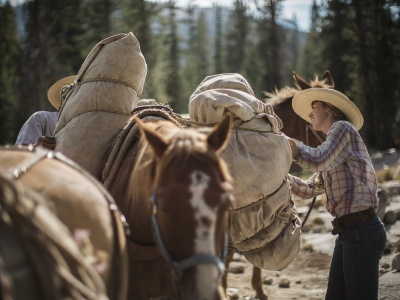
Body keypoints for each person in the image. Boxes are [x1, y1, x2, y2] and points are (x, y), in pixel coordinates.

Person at [284, 87, 387, 300]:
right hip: (351, 232)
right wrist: (279, 178)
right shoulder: (332, 148)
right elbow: (310, 189)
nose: (310, 113)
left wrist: (290, 147)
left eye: (315, 106)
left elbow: (317, 159)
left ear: (329, 108)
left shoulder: (342, 129)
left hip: (361, 231)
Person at [15, 76, 75, 146]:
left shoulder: (87, 126)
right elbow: (21, 151)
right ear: (64, 98)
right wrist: (38, 147)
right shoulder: (42, 118)